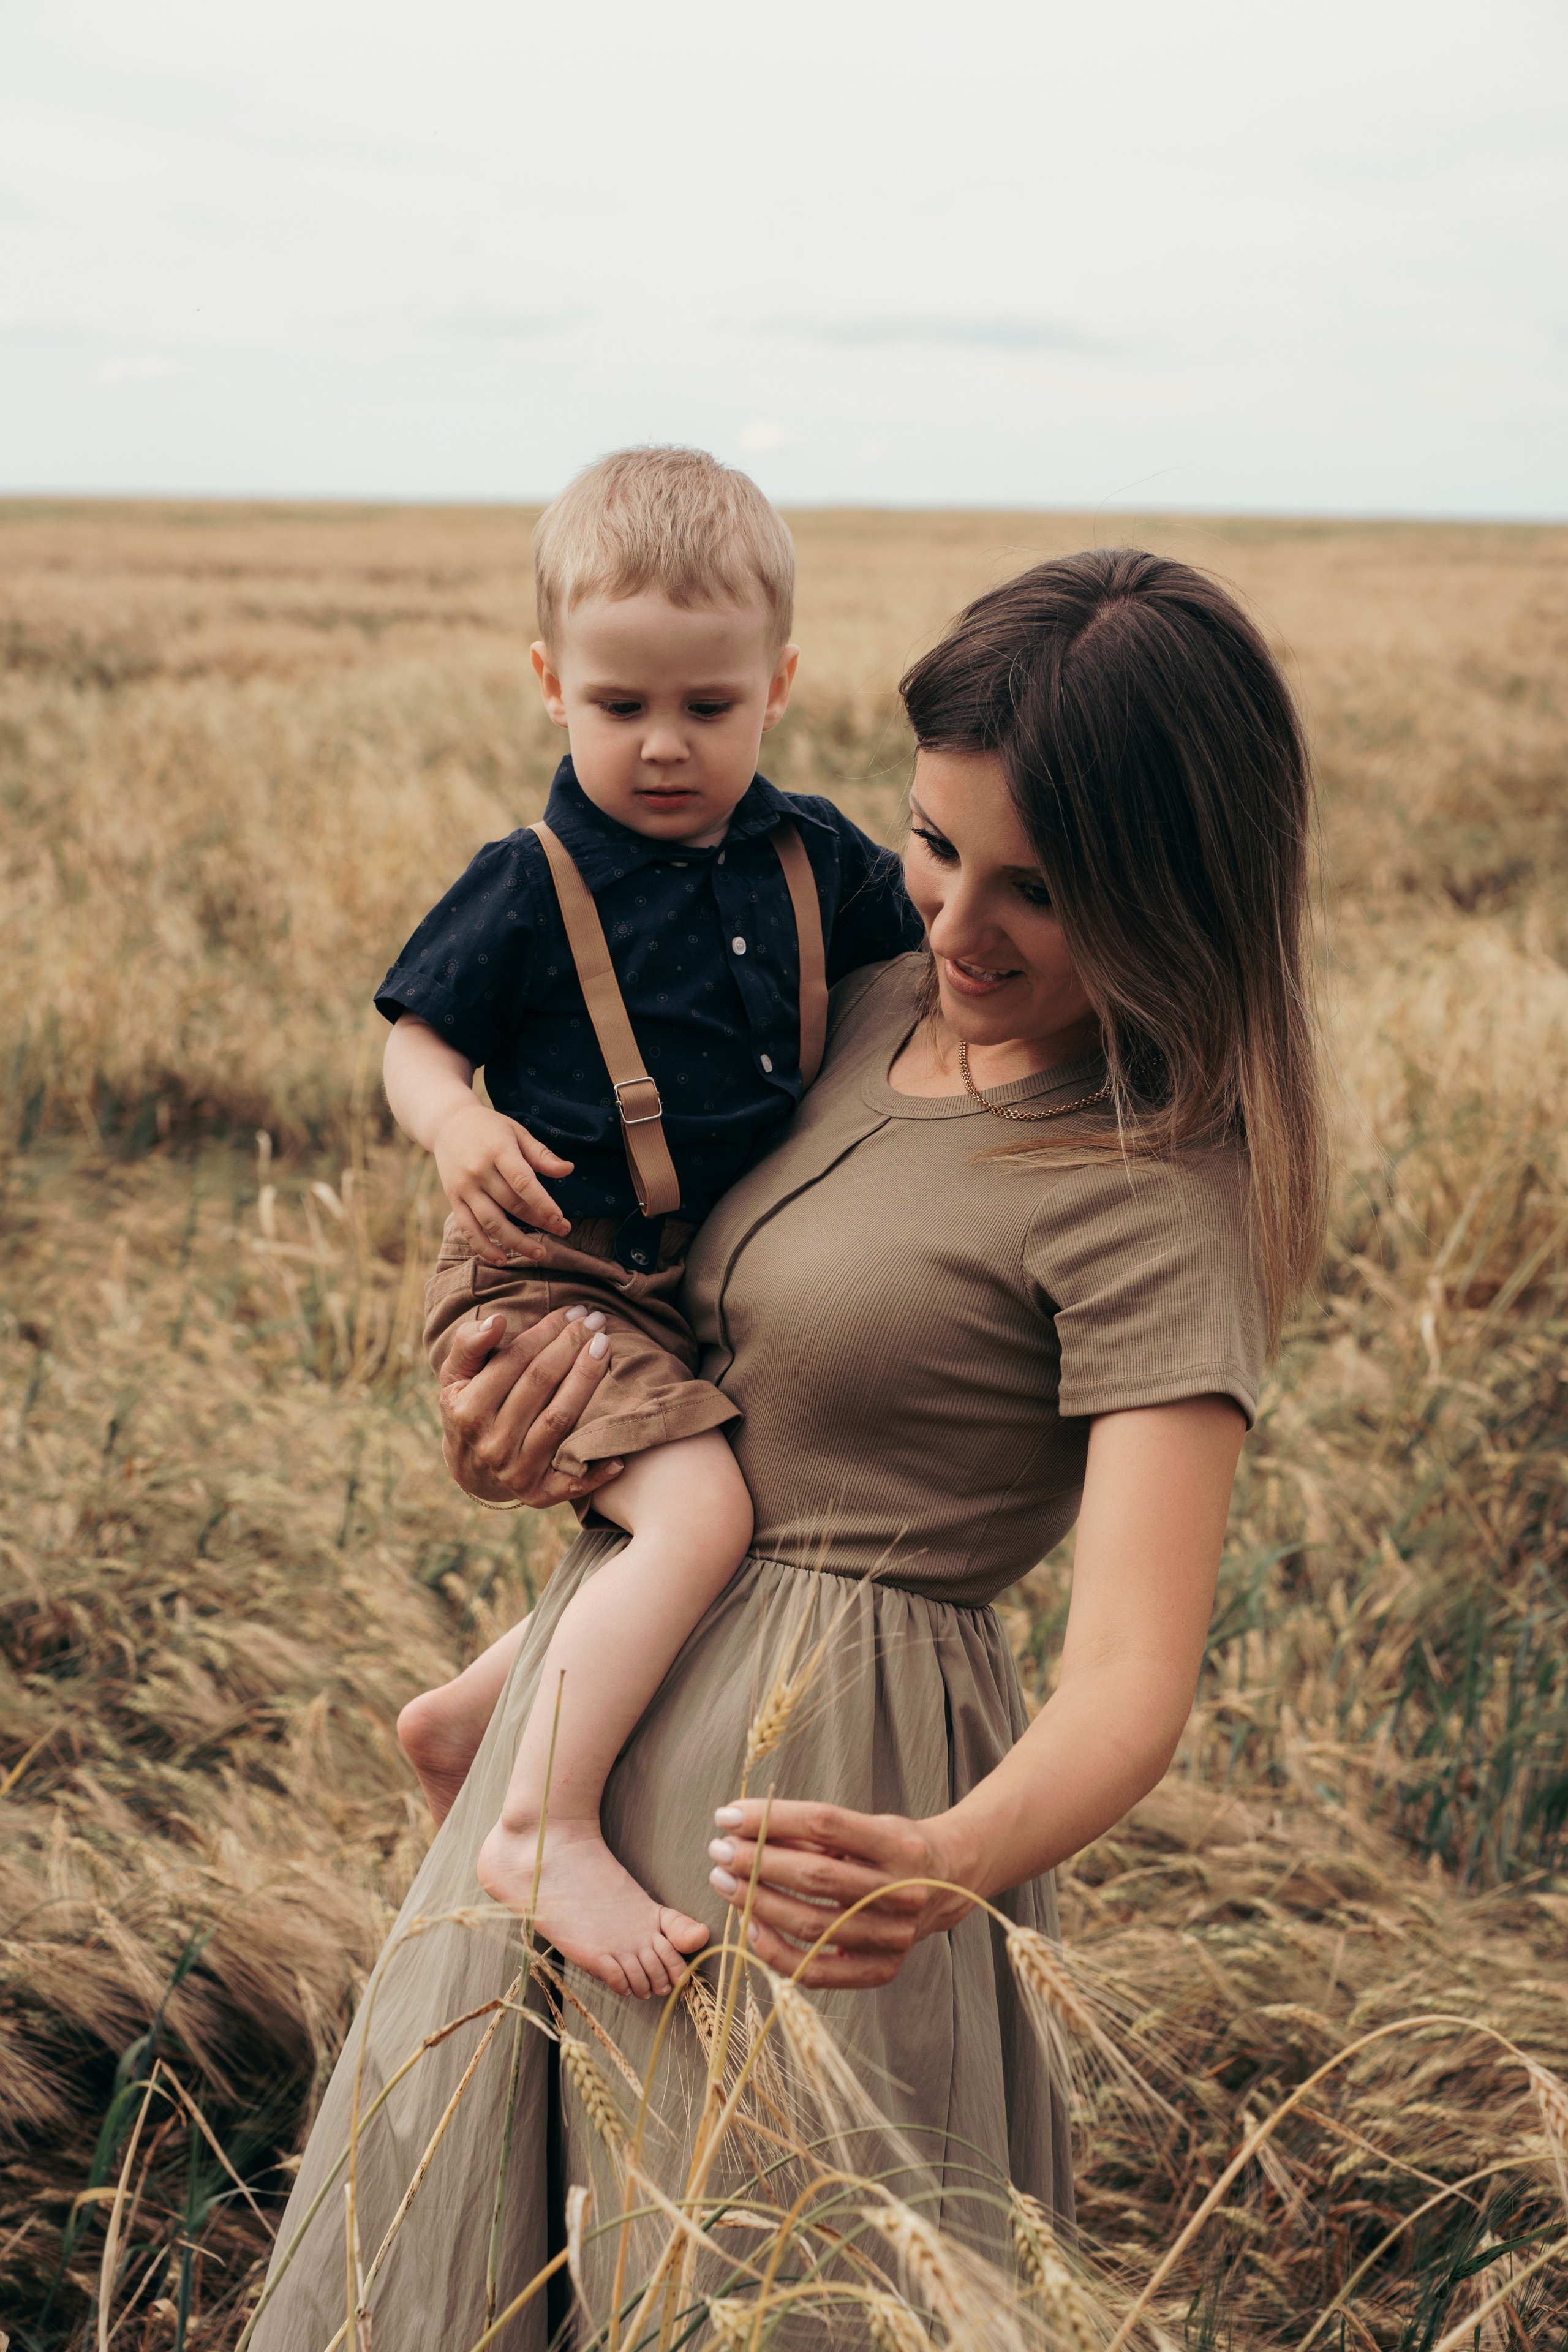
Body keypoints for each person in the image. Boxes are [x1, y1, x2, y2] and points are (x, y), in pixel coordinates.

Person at [252, 548, 1326, 2350]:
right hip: (573, 1766)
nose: (963, 927)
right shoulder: (868, 999)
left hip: (817, 1825)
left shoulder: (1156, 1189)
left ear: (1177, 893)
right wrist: (533, 1417)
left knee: (751, 2291)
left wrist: (952, 1857)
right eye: (934, 845)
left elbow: (1134, 1680)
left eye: (1043, 892)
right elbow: (720, 1362)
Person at [376, 446, 923, 2001]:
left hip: (674, 1287)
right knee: (699, 1520)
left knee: (721, 1501)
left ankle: (476, 1716)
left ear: (780, 683)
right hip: (544, 1275)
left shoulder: (819, 859)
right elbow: (412, 1035)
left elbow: (929, 973)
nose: (666, 747)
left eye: (709, 706)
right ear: (551, 685)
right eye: (621, 708)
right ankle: (538, 1822)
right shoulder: (527, 880)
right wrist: (458, 1123)